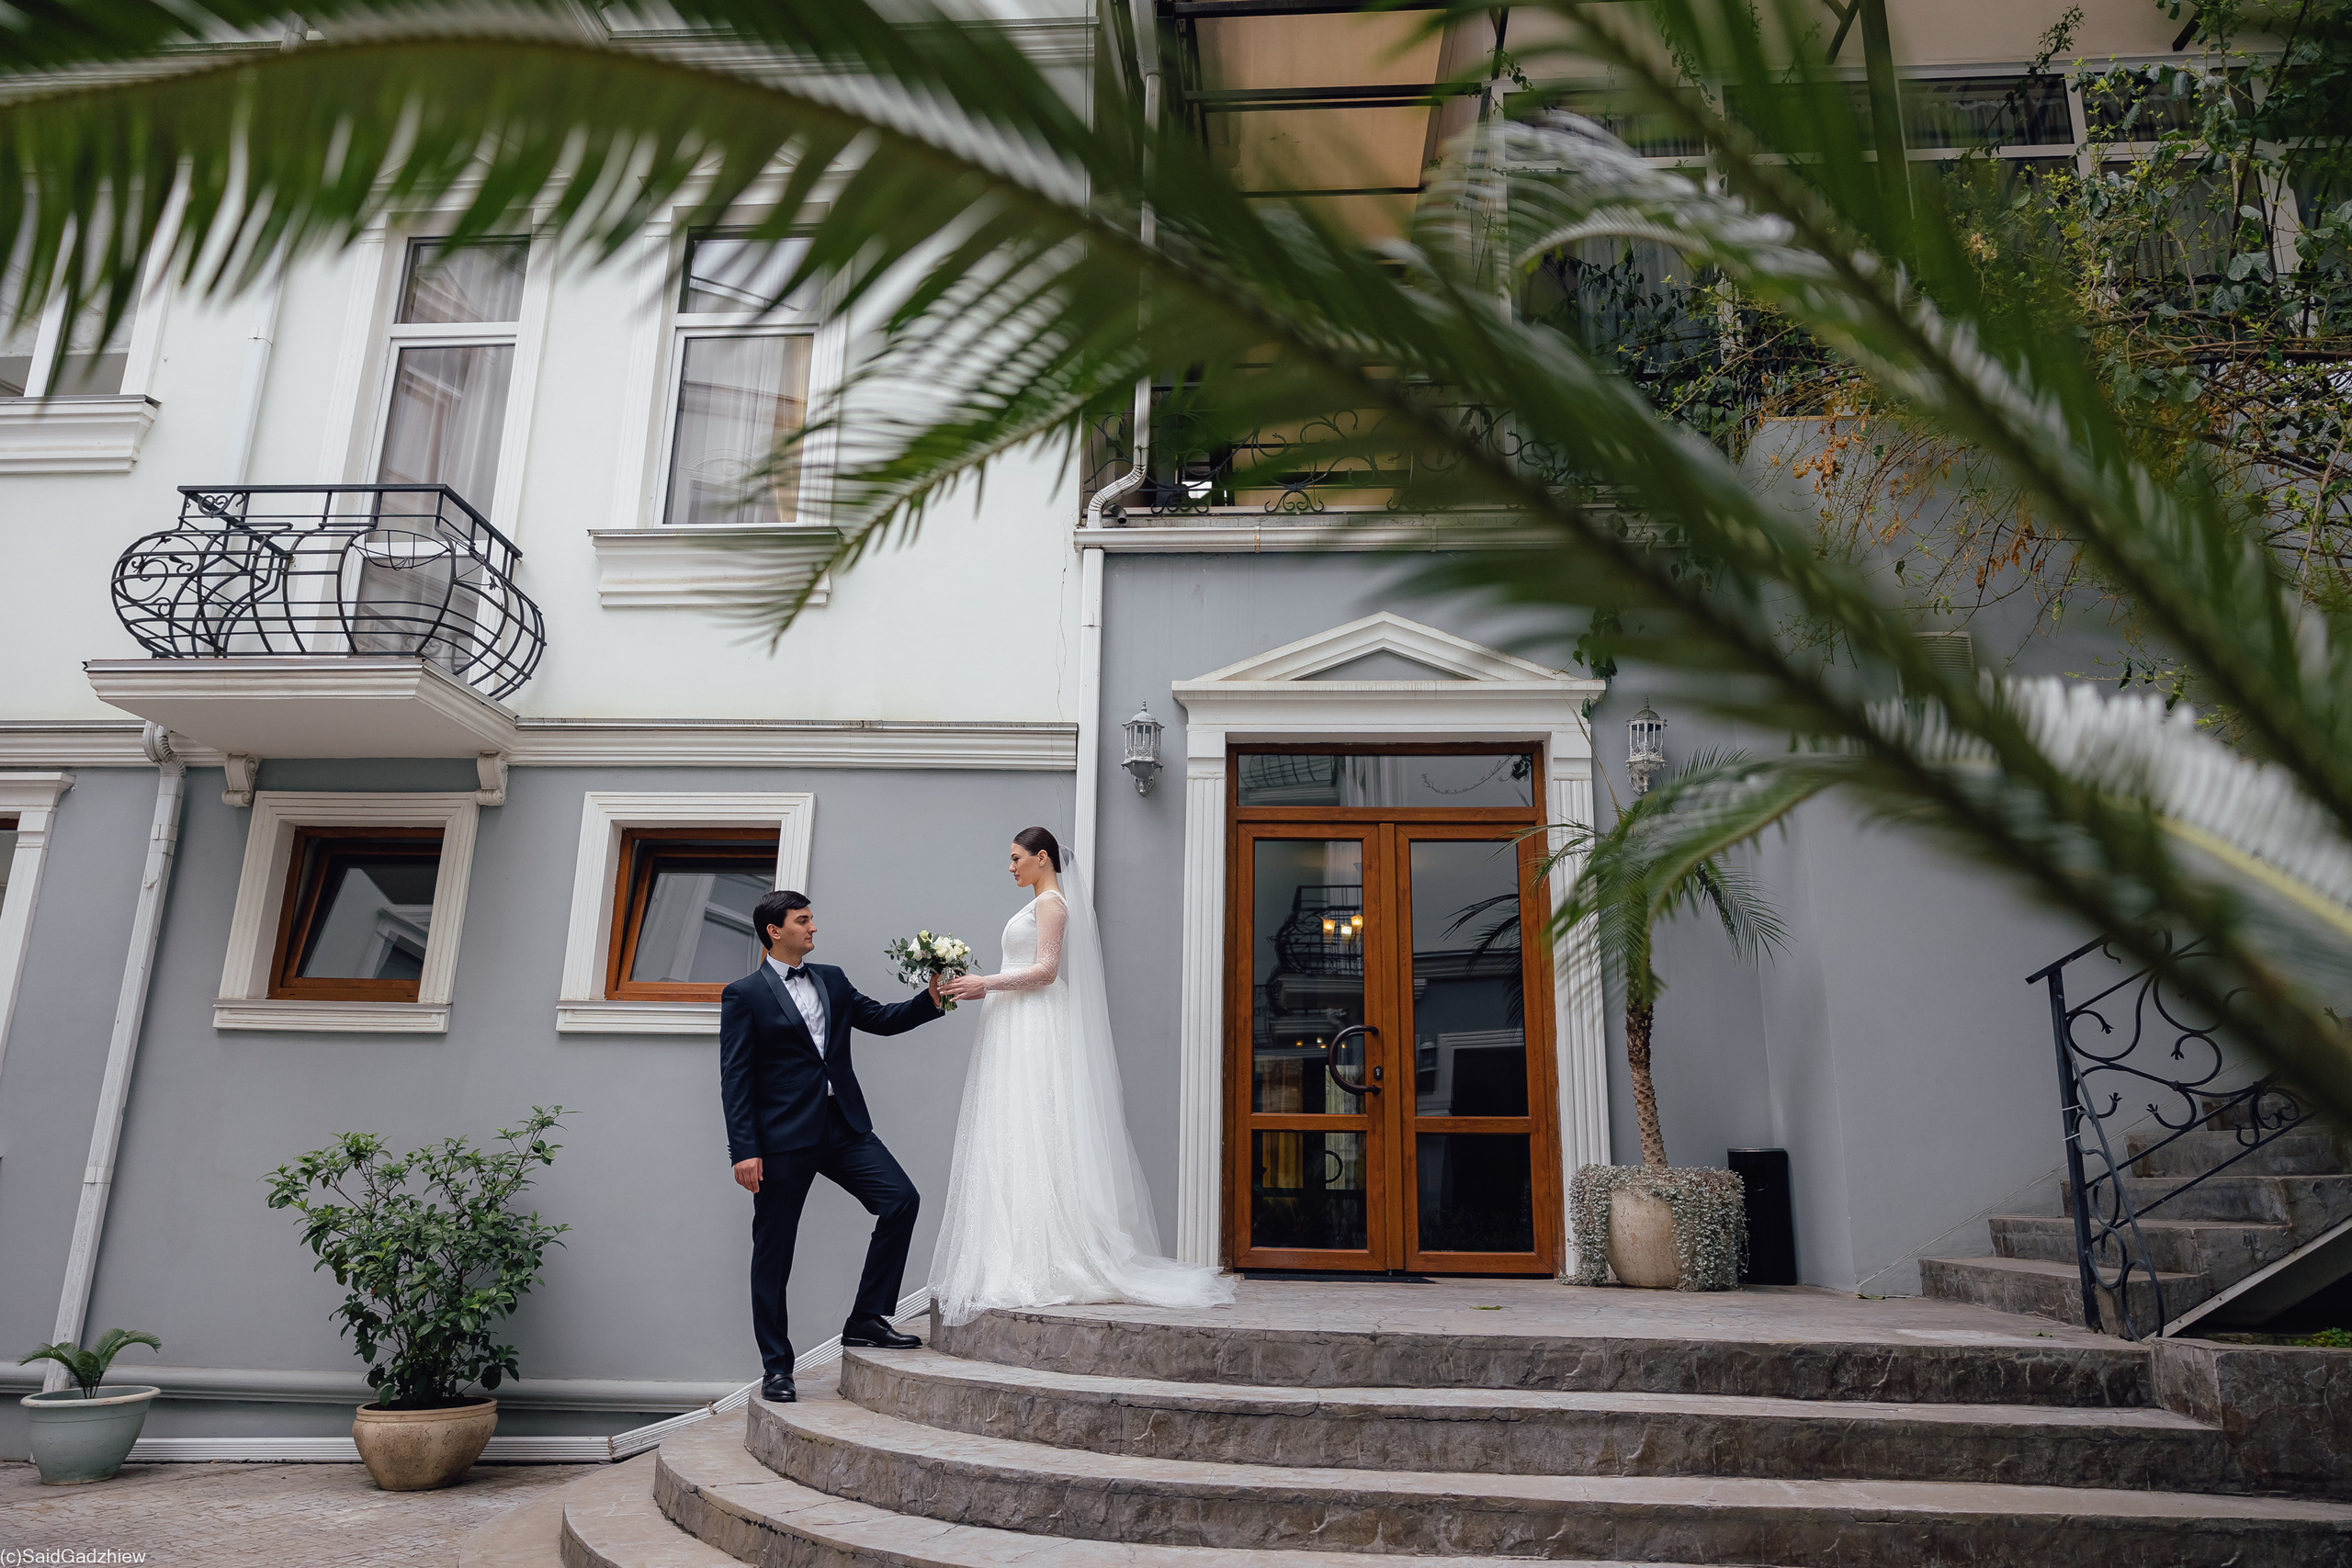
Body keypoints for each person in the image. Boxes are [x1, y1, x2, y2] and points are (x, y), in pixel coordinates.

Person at [932, 826, 1235, 1325]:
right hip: (1013, 1017)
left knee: (1035, 1127)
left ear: (1042, 858)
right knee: (1011, 1128)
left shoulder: (1052, 904)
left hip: (1032, 1017)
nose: (1009, 867)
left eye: (1015, 858)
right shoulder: (1037, 902)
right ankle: (1013, 1252)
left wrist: (985, 982)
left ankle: (1049, 1255)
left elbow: (1046, 970)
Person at [720, 889, 944, 1404]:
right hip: (780, 1139)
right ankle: (777, 1367)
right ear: (775, 931)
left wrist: (932, 999)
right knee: (774, 1253)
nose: (813, 929)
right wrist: (743, 1150)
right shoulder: (745, 994)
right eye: (803, 921)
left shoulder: (833, 979)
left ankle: (867, 1318)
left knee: (900, 1200)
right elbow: (735, 1078)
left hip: (841, 1124)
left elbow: (882, 1020)